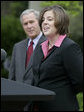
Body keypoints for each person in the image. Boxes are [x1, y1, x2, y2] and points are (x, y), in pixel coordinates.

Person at [30, 5, 83, 111]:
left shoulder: (69, 47)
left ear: (60, 22)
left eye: (49, 19)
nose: (44, 22)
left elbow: (80, 80)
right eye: (43, 20)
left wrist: (62, 91)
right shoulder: (40, 48)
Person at [9, 9, 46, 85]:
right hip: (19, 94)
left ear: (39, 22)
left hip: (40, 94)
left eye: (31, 22)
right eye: (25, 24)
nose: (29, 26)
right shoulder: (17, 47)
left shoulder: (48, 43)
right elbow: (12, 77)